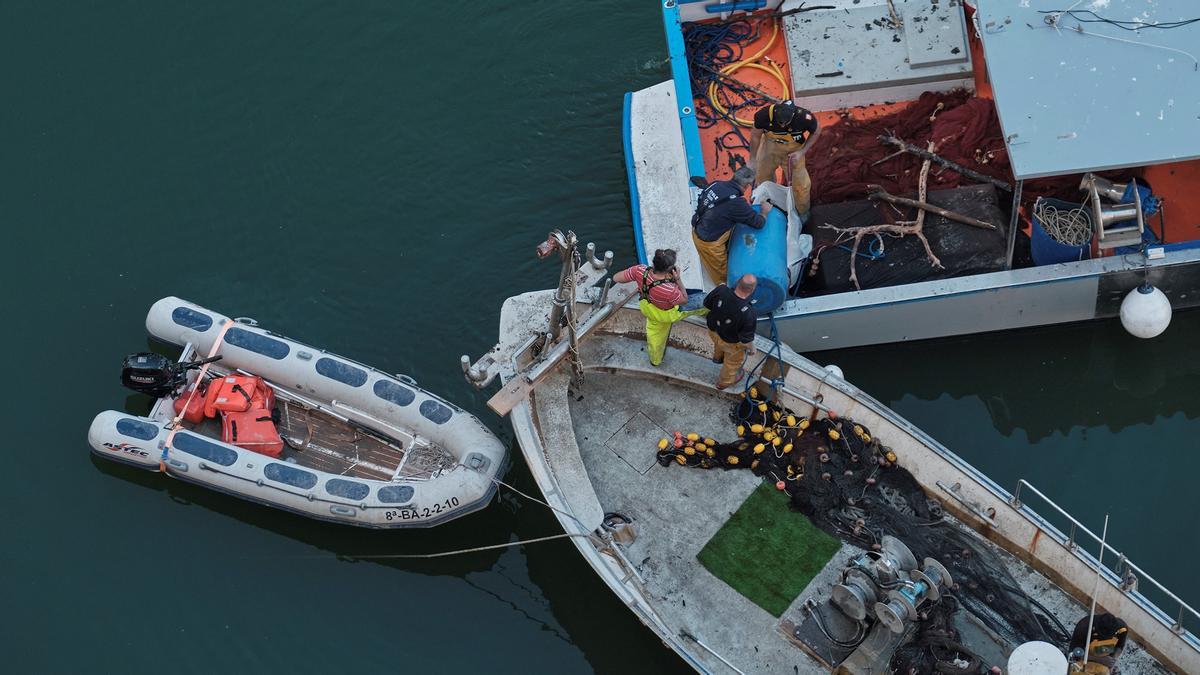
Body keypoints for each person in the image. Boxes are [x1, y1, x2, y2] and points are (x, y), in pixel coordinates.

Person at [612, 249, 704, 366]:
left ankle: (655, 361)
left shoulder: (640, 270)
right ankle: (709, 312)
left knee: (655, 338)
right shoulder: (670, 290)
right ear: (669, 269)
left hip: (648, 308)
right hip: (666, 315)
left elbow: (616, 278)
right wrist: (678, 279)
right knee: (704, 301)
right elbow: (684, 300)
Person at [691, 166, 765, 285]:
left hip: (700, 225)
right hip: (708, 242)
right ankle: (727, 290)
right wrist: (764, 212)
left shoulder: (716, 184)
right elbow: (759, 223)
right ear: (746, 186)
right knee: (723, 275)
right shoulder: (737, 203)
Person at [749, 100, 820, 219]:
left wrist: (802, 152)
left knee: (800, 185)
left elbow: (817, 132)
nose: (782, 125)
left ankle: (802, 212)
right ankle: (767, 203)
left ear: (793, 116)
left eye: (785, 123)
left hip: (793, 152)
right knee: (762, 177)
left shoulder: (805, 117)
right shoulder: (764, 115)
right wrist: (752, 159)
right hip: (769, 148)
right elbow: (755, 136)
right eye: (779, 122)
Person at [703, 274, 758, 390]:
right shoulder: (749, 313)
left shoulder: (721, 290)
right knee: (732, 363)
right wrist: (752, 349)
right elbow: (746, 339)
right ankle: (723, 383)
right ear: (752, 290)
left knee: (718, 343)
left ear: (738, 282)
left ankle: (717, 358)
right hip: (730, 343)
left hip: (713, 331)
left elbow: (706, 304)